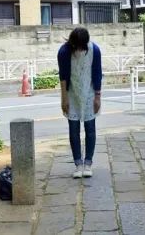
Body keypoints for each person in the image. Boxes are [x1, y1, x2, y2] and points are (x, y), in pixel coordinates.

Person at [57, 27, 102, 178]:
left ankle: (88, 163)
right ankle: (78, 164)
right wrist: (64, 98)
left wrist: (97, 96)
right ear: (73, 43)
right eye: (79, 46)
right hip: (72, 92)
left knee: (90, 128)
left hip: (89, 91)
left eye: (84, 46)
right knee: (73, 129)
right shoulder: (64, 52)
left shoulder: (94, 49)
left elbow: (97, 72)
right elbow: (63, 76)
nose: (82, 49)